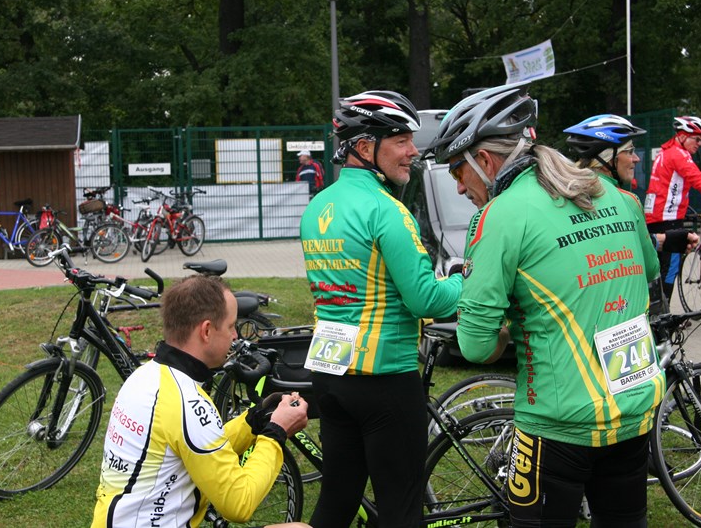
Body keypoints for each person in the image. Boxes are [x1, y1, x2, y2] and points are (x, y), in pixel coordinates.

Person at [426, 82, 662, 527]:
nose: (458, 187)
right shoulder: (618, 196)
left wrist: (506, 329)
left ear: (485, 161)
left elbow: (475, 345)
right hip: (634, 408)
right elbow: (648, 269)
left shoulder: (499, 215)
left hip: (556, 421)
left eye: (457, 170)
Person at [299, 90, 463, 527]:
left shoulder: (316, 207)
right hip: (385, 377)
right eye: (401, 140)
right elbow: (426, 299)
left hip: (330, 374)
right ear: (364, 147)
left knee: (336, 501)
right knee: (401, 510)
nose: (413, 151)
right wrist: (466, 281)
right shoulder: (387, 211)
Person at [91, 275, 310, 528]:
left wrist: (254, 420)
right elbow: (239, 503)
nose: (235, 336)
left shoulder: (147, 376)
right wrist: (275, 433)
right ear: (206, 331)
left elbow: (201, 446)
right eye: (230, 326)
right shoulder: (187, 401)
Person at [564, 114, 700, 315]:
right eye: (630, 151)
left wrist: (665, 240)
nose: (636, 158)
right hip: (619, 312)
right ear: (608, 158)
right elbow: (650, 269)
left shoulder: (563, 194)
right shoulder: (627, 201)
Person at [644, 115, 701, 303]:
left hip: (656, 218)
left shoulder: (665, 152)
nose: (699, 144)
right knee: (670, 269)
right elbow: (699, 181)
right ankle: (663, 314)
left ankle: (654, 309)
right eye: (697, 139)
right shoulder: (679, 154)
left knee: (656, 269)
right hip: (668, 219)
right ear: (682, 136)